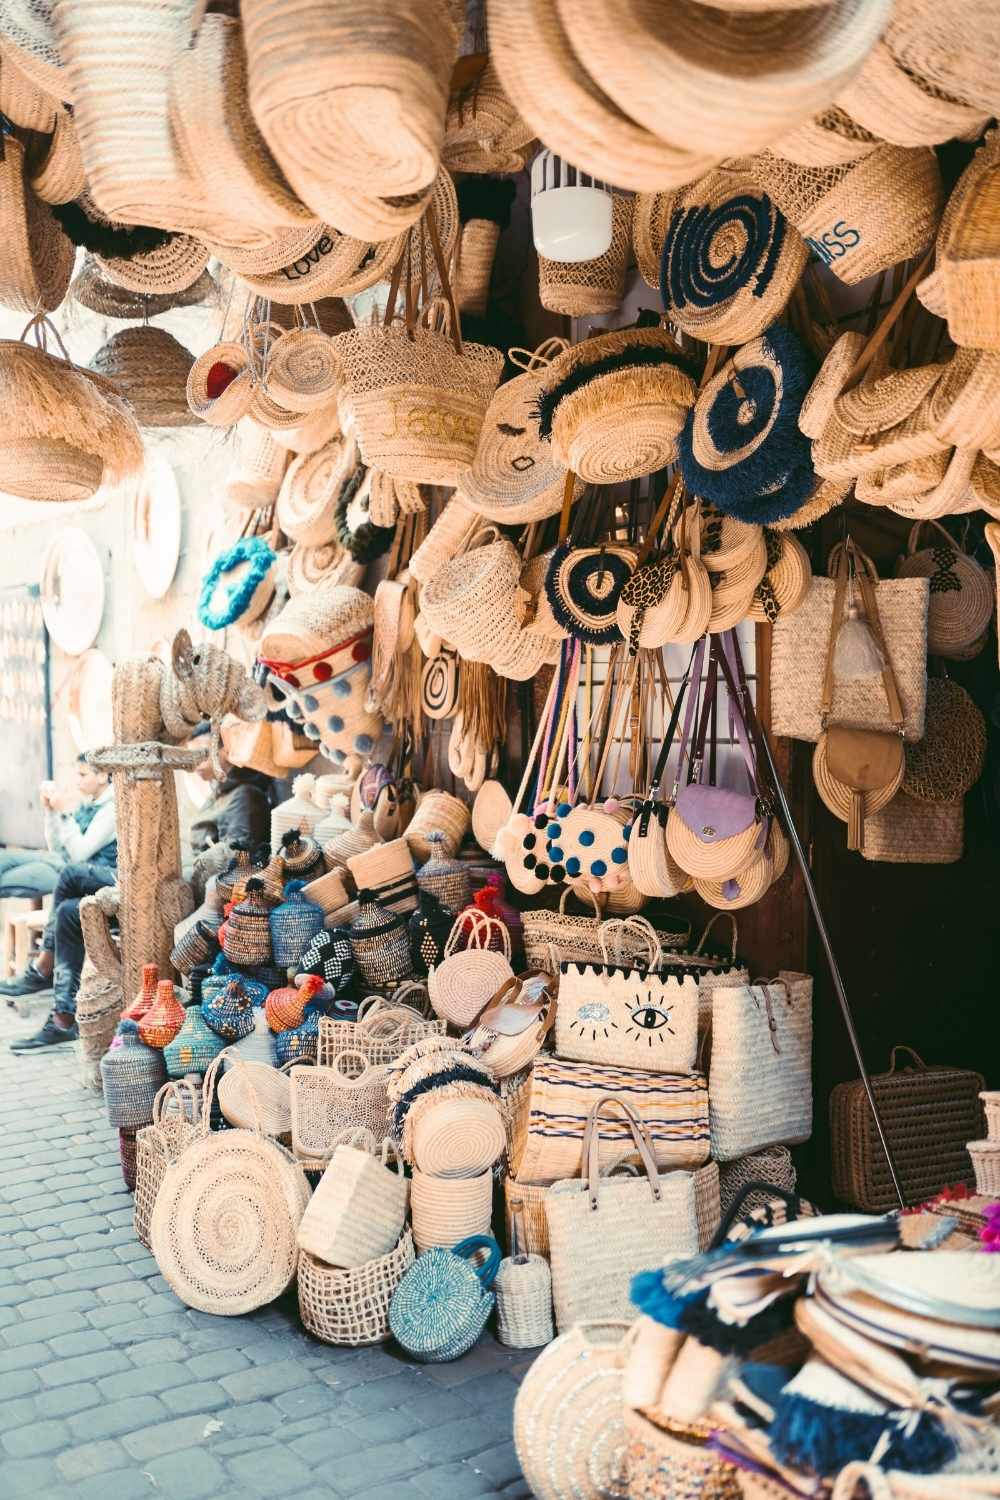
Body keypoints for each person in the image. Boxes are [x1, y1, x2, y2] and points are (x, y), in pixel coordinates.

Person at [2, 756, 118, 1050]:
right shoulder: (89, 804)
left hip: (113, 882)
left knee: (67, 873)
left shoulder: (112, 807)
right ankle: (63, 1019)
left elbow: (78, 855)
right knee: (67, 911)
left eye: (83, 774)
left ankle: (43, 965)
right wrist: (51, 813)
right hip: (83, 882)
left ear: (104, 775)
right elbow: (58, 846)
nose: (77, 781)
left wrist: (64, 813)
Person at [187, 724, 274, 857]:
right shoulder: (219, 793)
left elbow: (238, 862)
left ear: (225, 750)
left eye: (201, 754)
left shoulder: (244, 795)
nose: (195, 764)